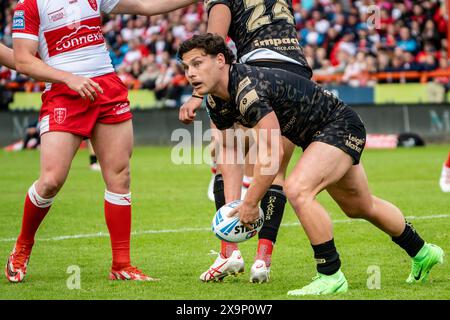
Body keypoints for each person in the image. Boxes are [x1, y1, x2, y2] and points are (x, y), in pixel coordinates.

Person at [178, 33, 444, 295]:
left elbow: (271, 151)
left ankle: (330, 275)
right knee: (360, 206)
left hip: (338, 126)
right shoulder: (216, 99)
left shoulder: (248, 88)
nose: (190, 72)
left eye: (198, 63)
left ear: (221, 60)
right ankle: (423, 252)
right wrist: (231, 205)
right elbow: (230, 151)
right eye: (187, 66)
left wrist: (250, 203)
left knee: (297, 189)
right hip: (319, 135)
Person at [5, 0, 199, 283]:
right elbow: (23, 59)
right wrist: (68, 78)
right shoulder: (30, 5)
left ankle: (121, 265)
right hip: (63, 92)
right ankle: (22, 246)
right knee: (51, 180)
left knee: (120, 176)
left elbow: (146, 5)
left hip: (106, 88)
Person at [179, 0, 313, 284]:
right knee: (275, 170)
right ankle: (262, 262)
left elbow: (214, 43)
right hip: (296, 71)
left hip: (255, 71)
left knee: (228, 154)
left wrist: (197, 95)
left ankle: (229, 253)